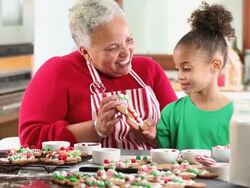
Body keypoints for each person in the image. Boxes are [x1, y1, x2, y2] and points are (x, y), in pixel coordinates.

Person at [18, 0, 177, 150]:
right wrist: (96, 128)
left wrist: (153, 136)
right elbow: (31, 138)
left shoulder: (149, 70)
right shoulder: (58, 72)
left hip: (149, 175)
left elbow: (179, 134)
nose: (126, 53)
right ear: (85, 52)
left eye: (129, 40)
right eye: (113, 48)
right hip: (82, 176)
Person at [156, 2, 234, 150]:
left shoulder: (236, 117)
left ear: (215, 65)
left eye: (186, 68)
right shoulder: (171, 113)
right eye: (177, 68)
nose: (179, 76)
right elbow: (163, 160)